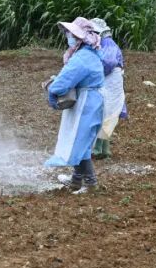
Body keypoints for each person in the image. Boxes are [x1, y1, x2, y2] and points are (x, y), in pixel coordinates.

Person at [44, 18, 104, 194]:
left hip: (87, 104)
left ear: (79, 36)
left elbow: (63, 82)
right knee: (81, 142)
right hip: (91, 101)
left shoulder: (82, 58)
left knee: (79, 143)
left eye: (70, 34)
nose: (68, 36)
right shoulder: (88, 54)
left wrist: (52, 89)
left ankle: (91, 184)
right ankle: (77, 181)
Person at [88, 18, 127, 160]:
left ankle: (99, 149)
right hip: (112, 82)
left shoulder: (107, 44)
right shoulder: (107, 43)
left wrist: (94, 74)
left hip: (110, 81)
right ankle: (105, 149)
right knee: (107, 114)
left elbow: (108, 63)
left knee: (104, 113)